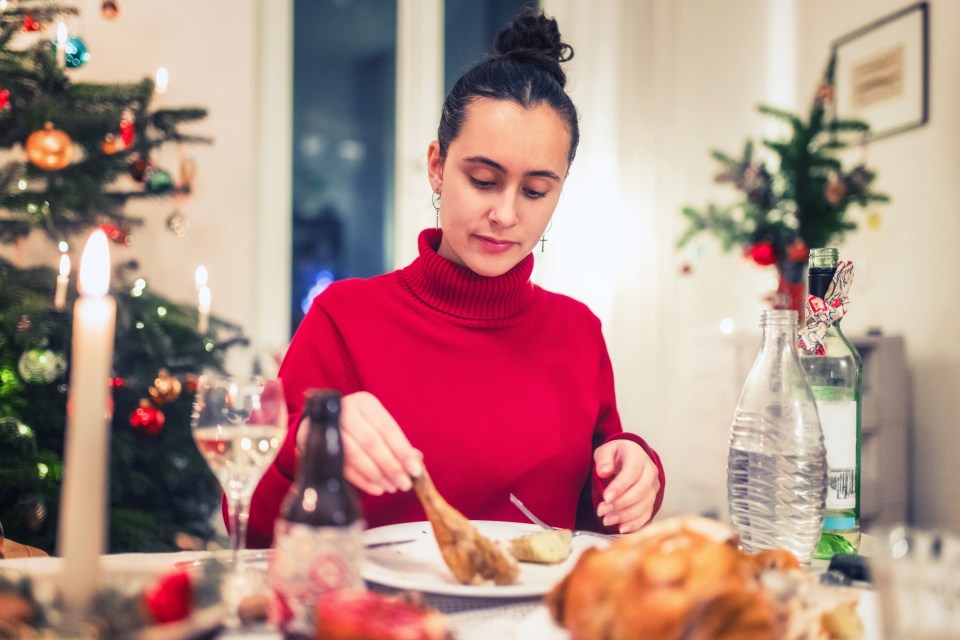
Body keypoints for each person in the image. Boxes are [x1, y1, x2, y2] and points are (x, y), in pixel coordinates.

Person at [245, 7, 664, 549]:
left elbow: (595, 530)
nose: (507, 214)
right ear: (438, 166)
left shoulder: (577, 332)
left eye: (536, 191)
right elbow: (253, 534)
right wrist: (308, 442)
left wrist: (634, 474)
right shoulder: (344, 319)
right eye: (484, 180)